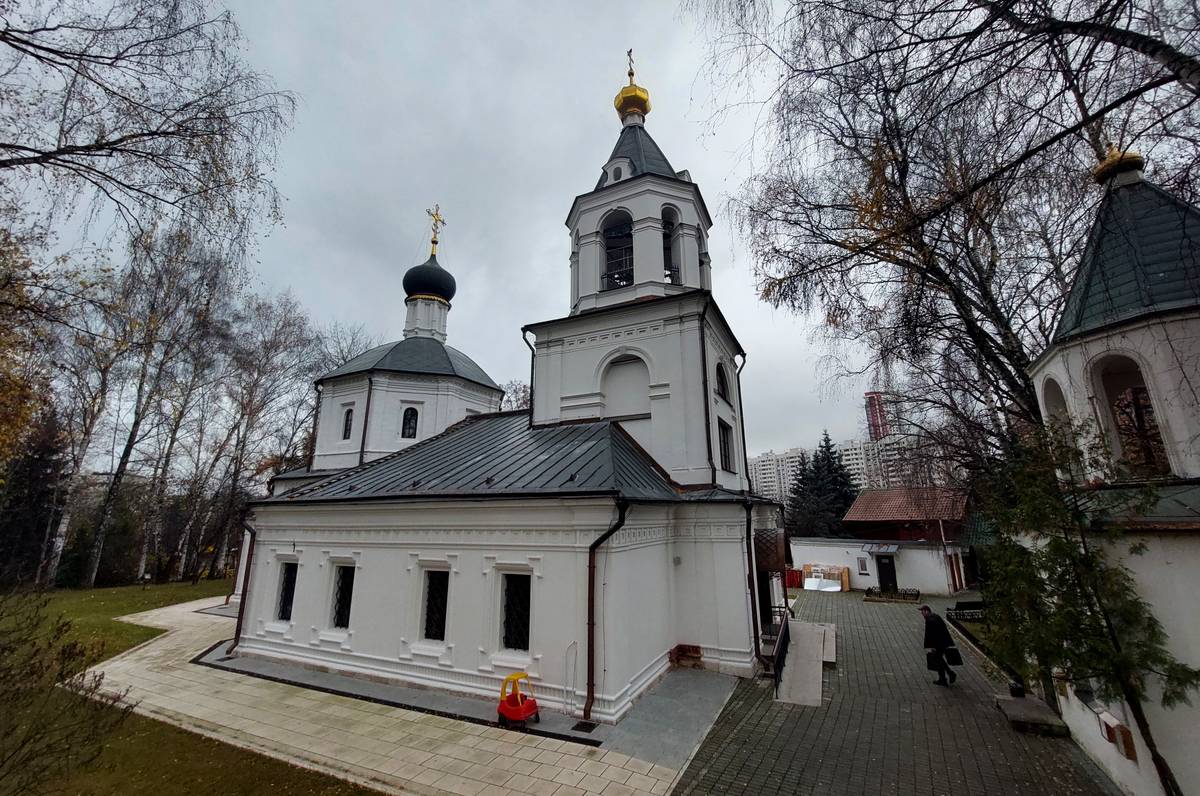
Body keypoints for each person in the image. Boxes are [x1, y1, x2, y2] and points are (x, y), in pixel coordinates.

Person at [920, 604, 957, 686]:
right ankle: (946, 676)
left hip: (939, 643)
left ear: (927, 611)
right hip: (943, 642)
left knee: (937, 660)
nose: (922, 614)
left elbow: (934, 634)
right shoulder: (934, 616)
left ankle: (946, 677)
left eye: (922, 611)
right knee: (939, 659)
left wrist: (934, 646)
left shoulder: (930, 619)